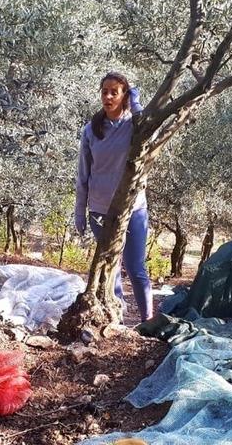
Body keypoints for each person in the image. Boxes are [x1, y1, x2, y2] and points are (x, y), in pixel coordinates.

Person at [75, 72, 153, 322]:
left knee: (136, 268)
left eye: (114, 92)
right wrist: (80, 212)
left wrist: (136, 103)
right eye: (104, 92)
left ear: (124, 95)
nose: (108, 97)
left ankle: (148, 321)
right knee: (111, 268)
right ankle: (115, 321)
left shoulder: (134, 126)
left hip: (133, 208)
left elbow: (149, 130)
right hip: (100, 209)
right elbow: (83, 174)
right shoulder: (91, 130)